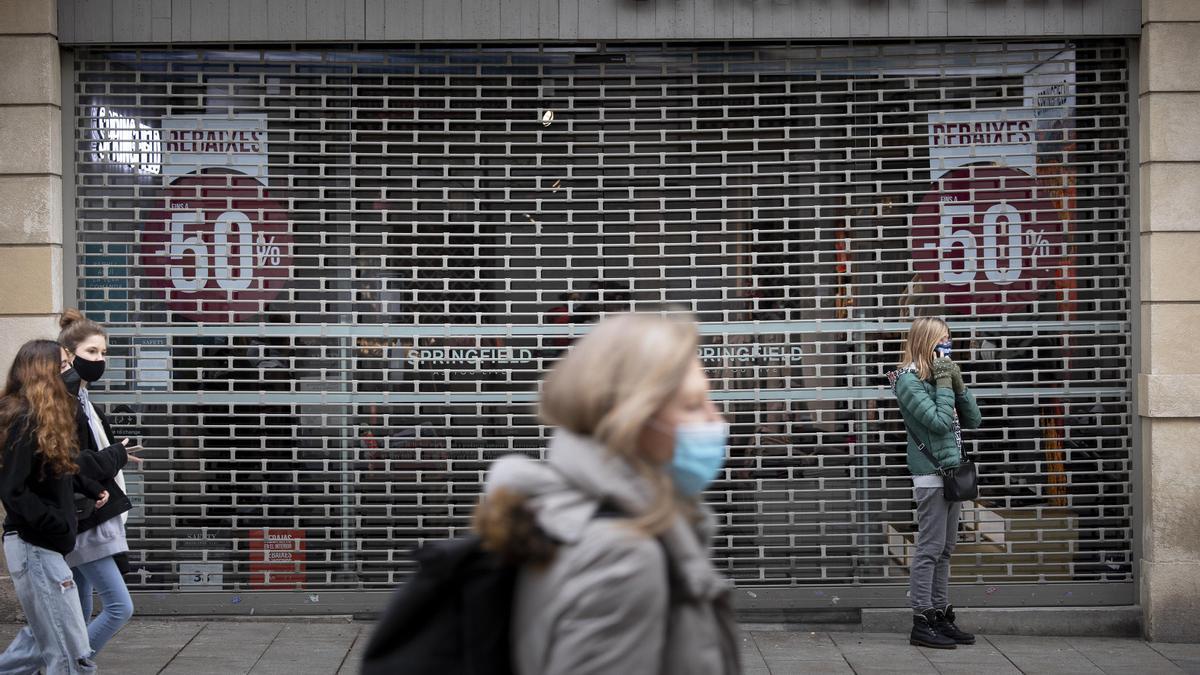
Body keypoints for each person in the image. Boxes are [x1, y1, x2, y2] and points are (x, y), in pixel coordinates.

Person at [473, 312, 741, 675]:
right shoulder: (623, 557)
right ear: (630, 418)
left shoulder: (557, 513)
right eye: (693, 405)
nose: (717, 420)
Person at [0, 340, 102, 674]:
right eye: (62, 366)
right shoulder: (23, 418)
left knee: (41, 651)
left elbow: (54, 471)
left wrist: (87, 486)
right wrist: (56, 523)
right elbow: (13, 490)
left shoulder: (43, 416)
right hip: (36, 546)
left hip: (44, 547)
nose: (70, 372)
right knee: (71, 655)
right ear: (42, 372)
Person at [887, 317, 983, 649]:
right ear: (926, 342)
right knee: (929, 549)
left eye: (949, 338)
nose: (948, 345)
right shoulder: (907, 381)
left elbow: (974, 419)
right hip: (930, 477)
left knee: (945, 550)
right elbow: (940, 423)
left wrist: (958, 385)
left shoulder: (937, 377)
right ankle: (922, 619)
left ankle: (941, 614)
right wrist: (944, 383)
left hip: (952, 475)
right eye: (942, 339)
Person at [58, 309, 142, 657]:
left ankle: (63, 663)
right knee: (119, 607)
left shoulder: (83, 399)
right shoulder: (63, 402)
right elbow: (69, 463)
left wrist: (116, 455)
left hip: (91, 512)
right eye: (92, 352)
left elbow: (89, 453)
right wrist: (114, 458)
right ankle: (73, 663)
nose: (100, 360)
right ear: (68, 354)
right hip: (85, 518)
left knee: (75, 610)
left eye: (104, 353)